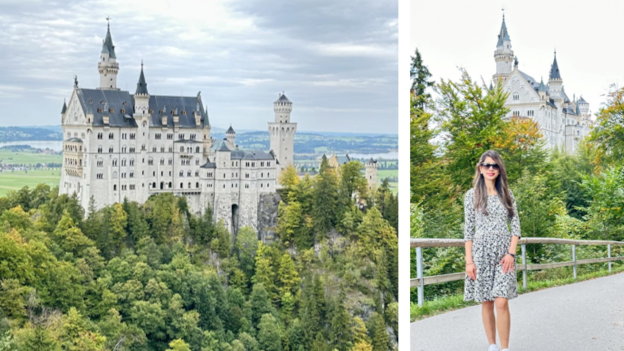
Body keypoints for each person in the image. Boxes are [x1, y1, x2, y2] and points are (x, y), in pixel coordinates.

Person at [464, 150, 521, 351]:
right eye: (487, 165)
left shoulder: (507, 194)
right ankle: (492, 345)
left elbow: (516, 228)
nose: (490, 169)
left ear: (499, 170)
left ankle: (505, 348)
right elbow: (468, 231)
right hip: (480, 253)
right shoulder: (471, 196)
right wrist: (469, 262)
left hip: (504, 253)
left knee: (501, 301)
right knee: (486, 301)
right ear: (480, 169)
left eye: (494, 166)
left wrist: (511, 254)